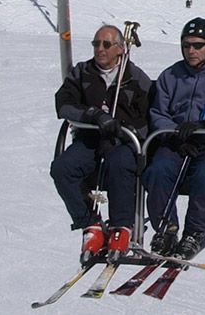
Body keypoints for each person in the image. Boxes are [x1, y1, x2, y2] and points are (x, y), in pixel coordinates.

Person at [50, 24, 152, 263]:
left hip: (122, 142)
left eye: (106, 44)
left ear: (119, 49)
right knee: (63, 169)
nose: (100, 49)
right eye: (96, 44)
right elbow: (63, 103)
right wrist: (93, 116)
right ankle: (90, 223)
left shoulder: (134, 77)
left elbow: (148, 115)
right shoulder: (82, 73)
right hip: (91, 139)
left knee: (120, 164)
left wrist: (127, 130)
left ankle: (121, 226)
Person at [143, 18, 205, 258]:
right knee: (158, 170)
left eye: (198, 45)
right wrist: (175, 134)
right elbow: (158, 112)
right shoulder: (171, 75)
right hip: (176, 141)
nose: (191, 51)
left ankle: (195, 232)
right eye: (186, 45)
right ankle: (166, 228)